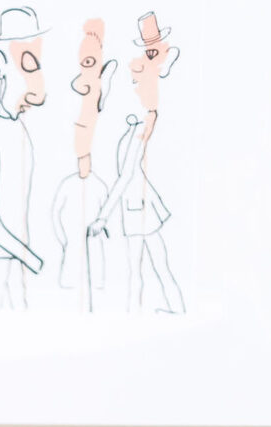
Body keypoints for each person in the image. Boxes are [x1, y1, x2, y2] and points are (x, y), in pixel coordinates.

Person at [93, 12, 185, 311]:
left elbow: (128, 174)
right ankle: (168, 310)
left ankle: (150, 313)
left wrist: (103, 216)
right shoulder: (134, 124)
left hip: (138, 207)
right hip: (138, 206)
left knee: (142, 270)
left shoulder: (143, 122)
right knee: (148, 268)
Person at [0, 5, 48, 310]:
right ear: (1, 64)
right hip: (1, 254)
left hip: (18, 252)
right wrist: (29, 257)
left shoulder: (20, 132)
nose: (34, 79)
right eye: (26, 64)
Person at [51, 19, 115, 310]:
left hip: (87, 132)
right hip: (82, 136)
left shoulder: (97, 92)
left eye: (89, 61)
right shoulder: (83, 92)